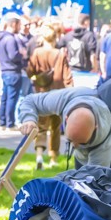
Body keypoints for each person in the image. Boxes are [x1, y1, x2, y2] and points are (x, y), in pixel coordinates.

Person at [17, 86, 111, 175]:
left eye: (81, 142)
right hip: (93, 144)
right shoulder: (66, 99)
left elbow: (95, 181)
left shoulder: (106, 137)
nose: (74, 145)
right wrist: (29, 119)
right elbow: (30, 101)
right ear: (67, 119)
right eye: (70, 140)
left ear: (95, 127)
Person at [26, 26, 72, 169]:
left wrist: (36, 78)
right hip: (58, 95)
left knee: (40, 127)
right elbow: (67, 77)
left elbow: (29, 71)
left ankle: (39, 156)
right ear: (55, 38)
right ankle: (53, 158)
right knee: (55, 128)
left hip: (41, 94)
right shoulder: (60, 54)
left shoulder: (37, 53)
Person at [0, 16, 24, 129]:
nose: (20, 28)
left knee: (5, 97)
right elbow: (13, 56)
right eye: (19, 25)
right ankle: (10, 123)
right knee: (12, 98)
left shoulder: (1, 38)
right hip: (13, 70)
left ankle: (2, 121)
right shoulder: (11, 39)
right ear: (13, 25)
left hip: (5, 70)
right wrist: (22, 54)